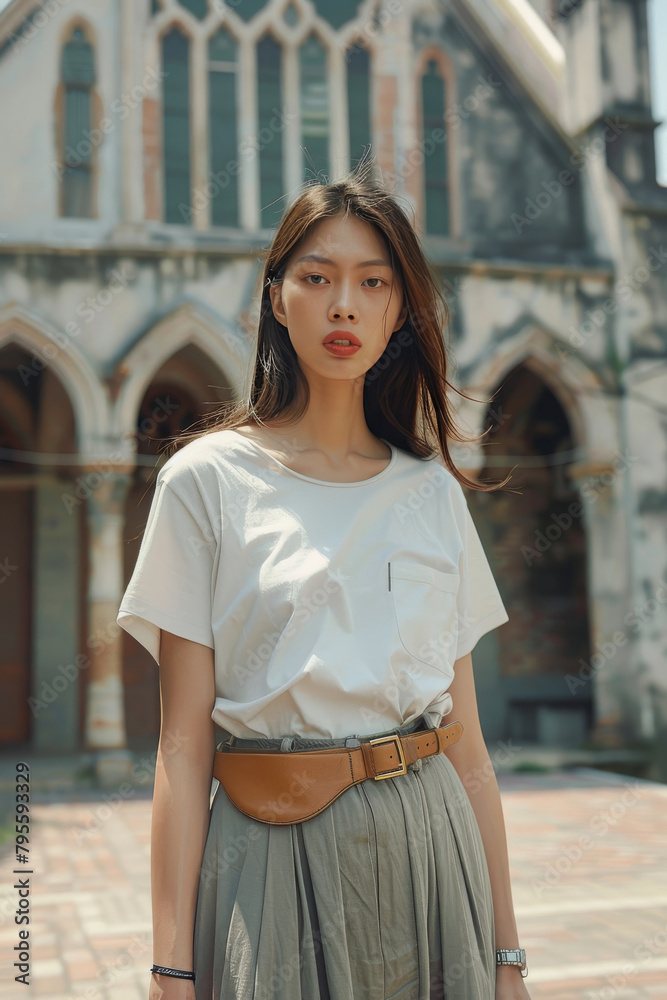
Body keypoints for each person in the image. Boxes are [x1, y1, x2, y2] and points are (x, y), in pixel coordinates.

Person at [117, 160, 531, 1000]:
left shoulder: (431, 494)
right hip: (271, 855)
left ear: (396, 311)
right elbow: (182, 746)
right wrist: (170, 968)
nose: (344, 303)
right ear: (278, 297)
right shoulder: (205, 481)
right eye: (317, 277)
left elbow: (471, 752)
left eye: (372, 283)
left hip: (431, 846)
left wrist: (507, 957)